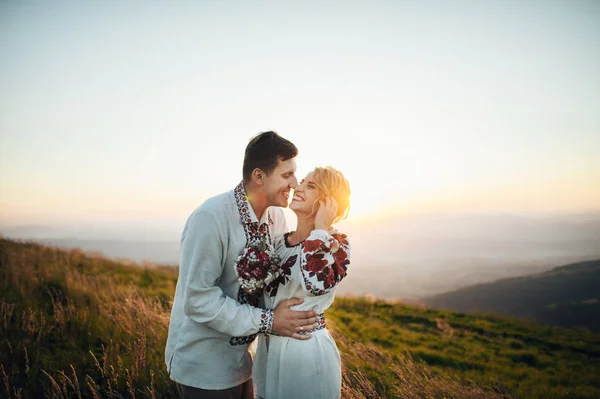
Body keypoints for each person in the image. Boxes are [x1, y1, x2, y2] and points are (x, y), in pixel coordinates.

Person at [165, 131, 320, 399]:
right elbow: (198, 299)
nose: (295, 183)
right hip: (206, 365)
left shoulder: (277, 218)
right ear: (259, 176)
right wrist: (270, 321)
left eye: (295, 174)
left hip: (245, 360)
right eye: (286, 175)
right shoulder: (211, 217)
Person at [253, 166, 352, 399]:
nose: (297, 187)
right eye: (302, 181)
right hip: (268, 350)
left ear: (329, 202)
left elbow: (315, 282)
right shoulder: (278, 241)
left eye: (311, 185)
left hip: (305, 352)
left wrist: (320, 229)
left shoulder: (336, 244)